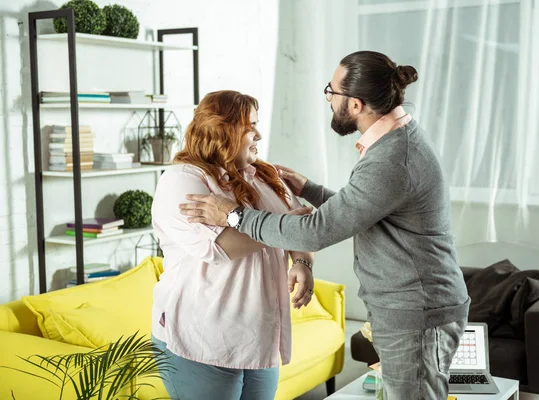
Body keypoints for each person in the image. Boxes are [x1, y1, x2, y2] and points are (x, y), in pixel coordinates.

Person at [179, 51, 470, 399]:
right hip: (416, 309)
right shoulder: (397, 141)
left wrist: (232, 215)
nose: (329, 100)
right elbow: (366, 210)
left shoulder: (391, 159)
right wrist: (310, 190)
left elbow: (315, 232)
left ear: (357, 105)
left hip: (416, 314)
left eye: (332, 93)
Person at [151, 90, 315, 400]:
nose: (259, 134)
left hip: (260, 334)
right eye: (250, 126)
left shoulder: (264, 175)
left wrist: (302, 262)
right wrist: (287, 227)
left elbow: (302, 229)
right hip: (202, 338)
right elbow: (220, 247)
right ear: (223, 130)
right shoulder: (182, 180)